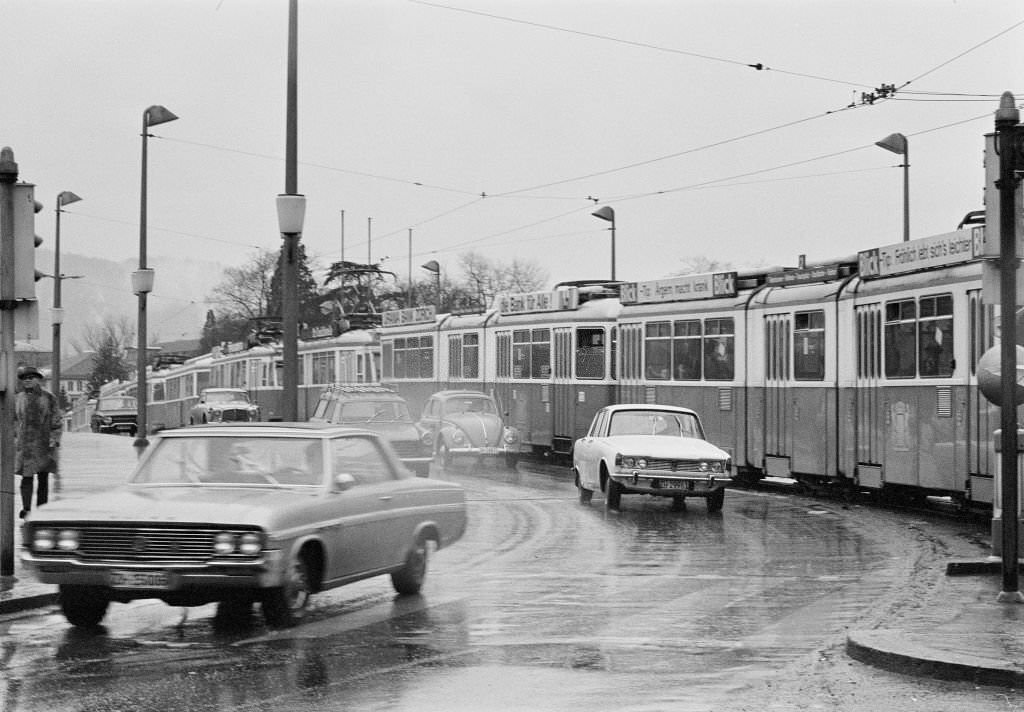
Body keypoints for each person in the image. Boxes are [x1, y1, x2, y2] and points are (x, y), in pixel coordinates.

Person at [14, 365, 63, 519]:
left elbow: (56, 421)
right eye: (25, 379)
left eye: (31, 378)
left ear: (38, 380)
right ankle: (26, 508)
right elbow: (14, 420)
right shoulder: (18, 399)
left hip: (44, 443)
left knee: (43, 477)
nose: (28, 381)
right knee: (26, 477)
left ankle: (42, 509)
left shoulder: (49, 398)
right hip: (25, 444)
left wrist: (54, 440)